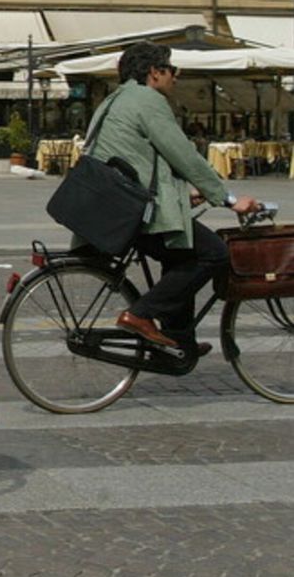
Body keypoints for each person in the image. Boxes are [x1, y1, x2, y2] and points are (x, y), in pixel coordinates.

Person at [78, 42, 258, 353]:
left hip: (107, 208)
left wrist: (183, 194)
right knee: (214, 253)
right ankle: (140, 314)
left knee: (181, 253)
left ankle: (178, 342)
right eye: (172, 69)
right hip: (130, 213)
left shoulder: (115, 99)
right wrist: (228, 199)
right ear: (154, 72)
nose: (176, 76)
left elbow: (139, 160)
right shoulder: (148, 100)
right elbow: (183, 154)